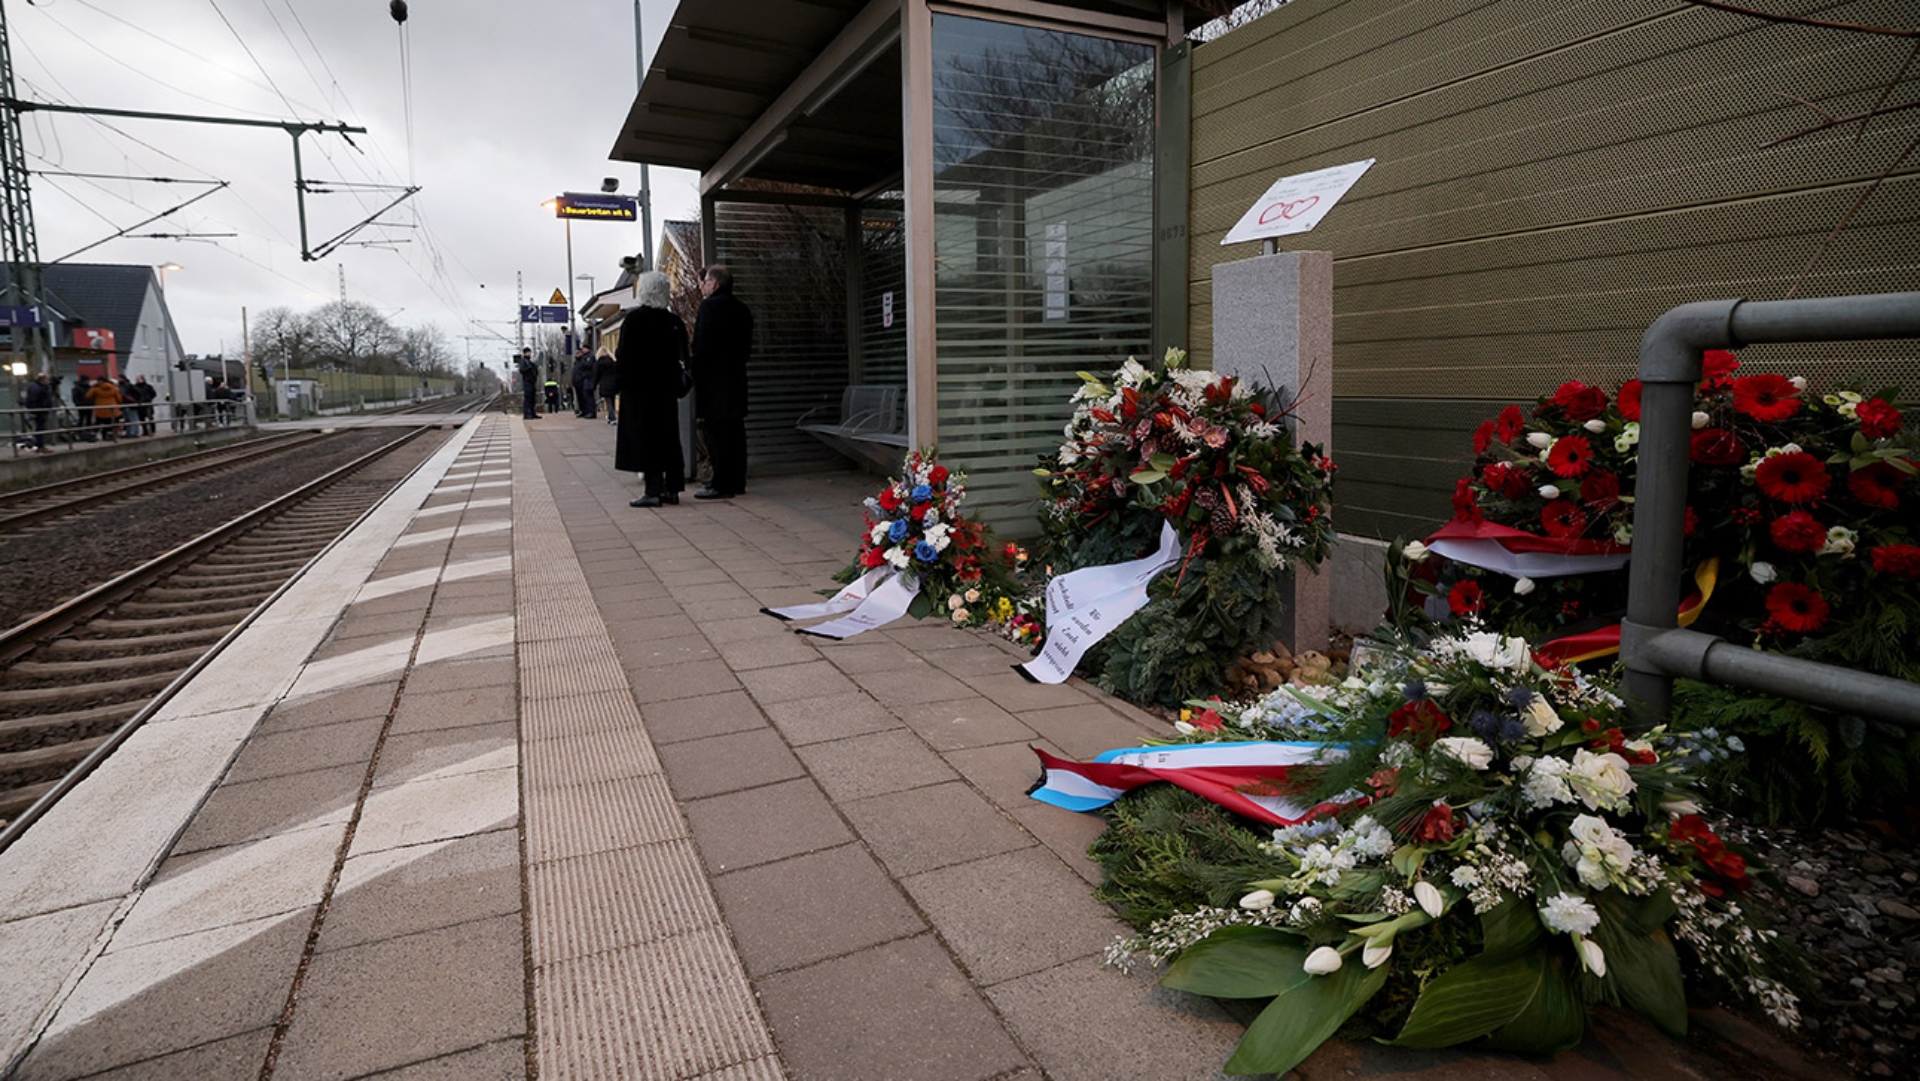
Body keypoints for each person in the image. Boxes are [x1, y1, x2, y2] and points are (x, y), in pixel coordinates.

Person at [614, 270, 689, 508]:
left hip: (640, 391)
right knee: (669, 437)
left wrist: (620, 384)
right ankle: (673, 488)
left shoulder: (635, 320)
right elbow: (685, 356)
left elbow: (624, 356)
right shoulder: (674, 322)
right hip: (667, 390)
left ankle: (653, 490)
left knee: (646, 439)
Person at [689, 263, 752, 499]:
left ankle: (721, 483)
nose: (702, 287)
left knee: (716, 432)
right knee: (735, 431)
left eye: (703, 282)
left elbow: (701, 345)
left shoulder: (709, 307)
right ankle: (737, 481)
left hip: (713, 381)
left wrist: (694, 368)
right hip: (736, 378)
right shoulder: (742, 309)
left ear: (713, 284)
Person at [86, 374, 124, 440]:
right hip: (112, 409)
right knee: (111, 424)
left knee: (100, 423)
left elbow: (88, 396)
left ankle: (99, 436)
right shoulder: (113, 387)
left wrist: (93, 388)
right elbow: (119, 399)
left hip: (101, 410)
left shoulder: (96, 388)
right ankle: (110, 436)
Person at [22, 371, 53, 452]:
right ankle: (40, 445)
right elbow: (33, 400)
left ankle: (40, 445)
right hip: (39, 411)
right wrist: (33, 411)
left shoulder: (39, 387)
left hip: (41, 410)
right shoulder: (36, 388)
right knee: (40, 428)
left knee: (40, 428)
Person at [593, 345, 618, 425]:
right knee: (612, 399)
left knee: (608, 401)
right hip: (614, 383)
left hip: (604, 383)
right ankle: (611, 416)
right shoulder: (613, 362)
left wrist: (594, 385)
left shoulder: (599, 363)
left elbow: (596, 375)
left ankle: (612, 417)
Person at [570, 348, 597, 419]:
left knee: (586, 397)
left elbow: (585, 368)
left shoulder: (584, 360)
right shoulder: (576, 362)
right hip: (577, 382)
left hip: (582, 381)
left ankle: (589, 411)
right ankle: (583, 411)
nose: (577, 355)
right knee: (580, 398)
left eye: (578, 353)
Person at [515, 348, 540, 419]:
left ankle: (532, 413)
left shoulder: (530, 362)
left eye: (529, 352)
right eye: (528, 352)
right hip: (527, 381)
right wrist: (528, 368)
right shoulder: (523, 361)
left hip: (532, 381)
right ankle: (527, 414)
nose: (529, 354)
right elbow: (522, 370)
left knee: (532, 398)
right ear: (525, 353)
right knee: (528, 398)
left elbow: (535, 369)